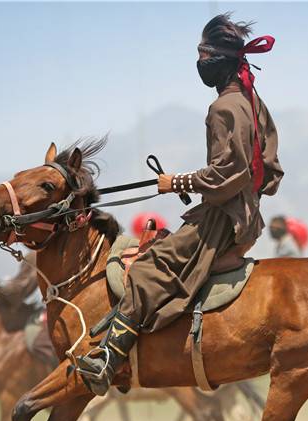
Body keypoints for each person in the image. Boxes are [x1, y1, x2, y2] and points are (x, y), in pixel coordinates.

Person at [77, 13, 284, 395]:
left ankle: (107, 359)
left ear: (218, 61)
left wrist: (178, 182)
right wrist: (243, 196)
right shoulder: (253, 102)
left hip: (221, 218)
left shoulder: (223, 108)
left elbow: (230, 172)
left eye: (203, 56)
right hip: (245, 214)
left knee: (147, 270)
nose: (199, 64)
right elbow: (267, 167)